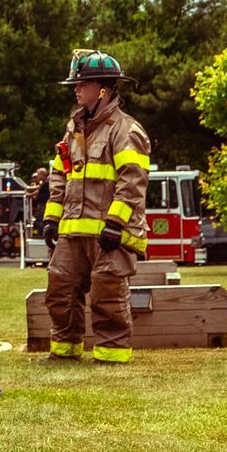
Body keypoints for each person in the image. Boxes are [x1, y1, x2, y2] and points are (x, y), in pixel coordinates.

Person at [40, 49, 150, 362]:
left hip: (109, 232)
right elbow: (61, 174)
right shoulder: (73, 130)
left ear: (102, 88)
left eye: (81, 84)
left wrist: (115, 223)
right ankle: (65, 350)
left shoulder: (126, 130)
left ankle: (111, 353)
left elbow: (133, 181)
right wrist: (52, 218)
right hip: (73, 229)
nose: (75, 89)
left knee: (107, 292)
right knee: (59, 288)